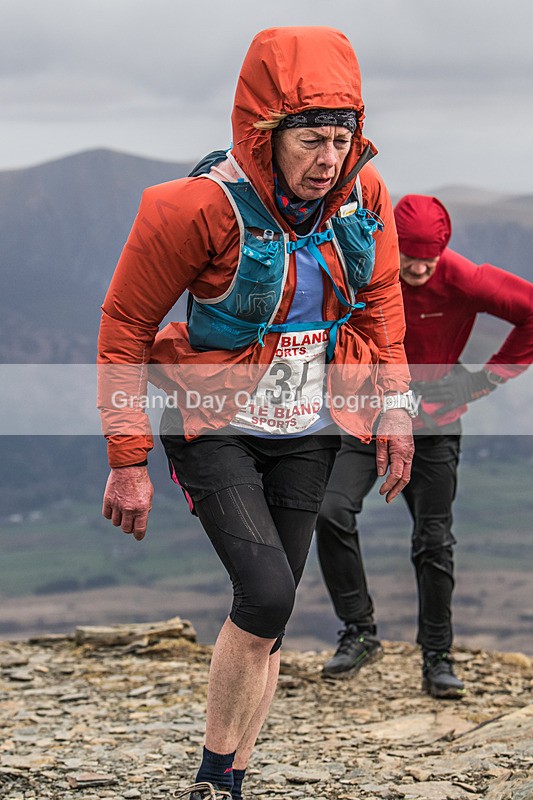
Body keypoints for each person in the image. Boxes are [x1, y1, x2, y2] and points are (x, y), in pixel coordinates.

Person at [98, 27, 414, 800]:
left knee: (270, 616)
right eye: (310, 140)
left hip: (310, 428)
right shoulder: (195, 208)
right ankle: (211, 778)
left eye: (341, 139)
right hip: (214, 426)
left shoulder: (363, 196)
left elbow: (380, 301)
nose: (329, 159)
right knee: (267, 595)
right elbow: (125, 327)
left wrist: (397, 409)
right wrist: (127, 459)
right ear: (264, 133)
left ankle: (230, 780)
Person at [317, 193, 533, 698]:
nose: (417, 268)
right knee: (330, 512)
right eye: (409, 257)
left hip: (434, 423)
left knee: (433, 540)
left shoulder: (464, 277)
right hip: (366, 417)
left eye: (428, 260)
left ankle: (437, 656)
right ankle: (358, 631)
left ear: (443, 251)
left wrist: (481, 381)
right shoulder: (366, 268)